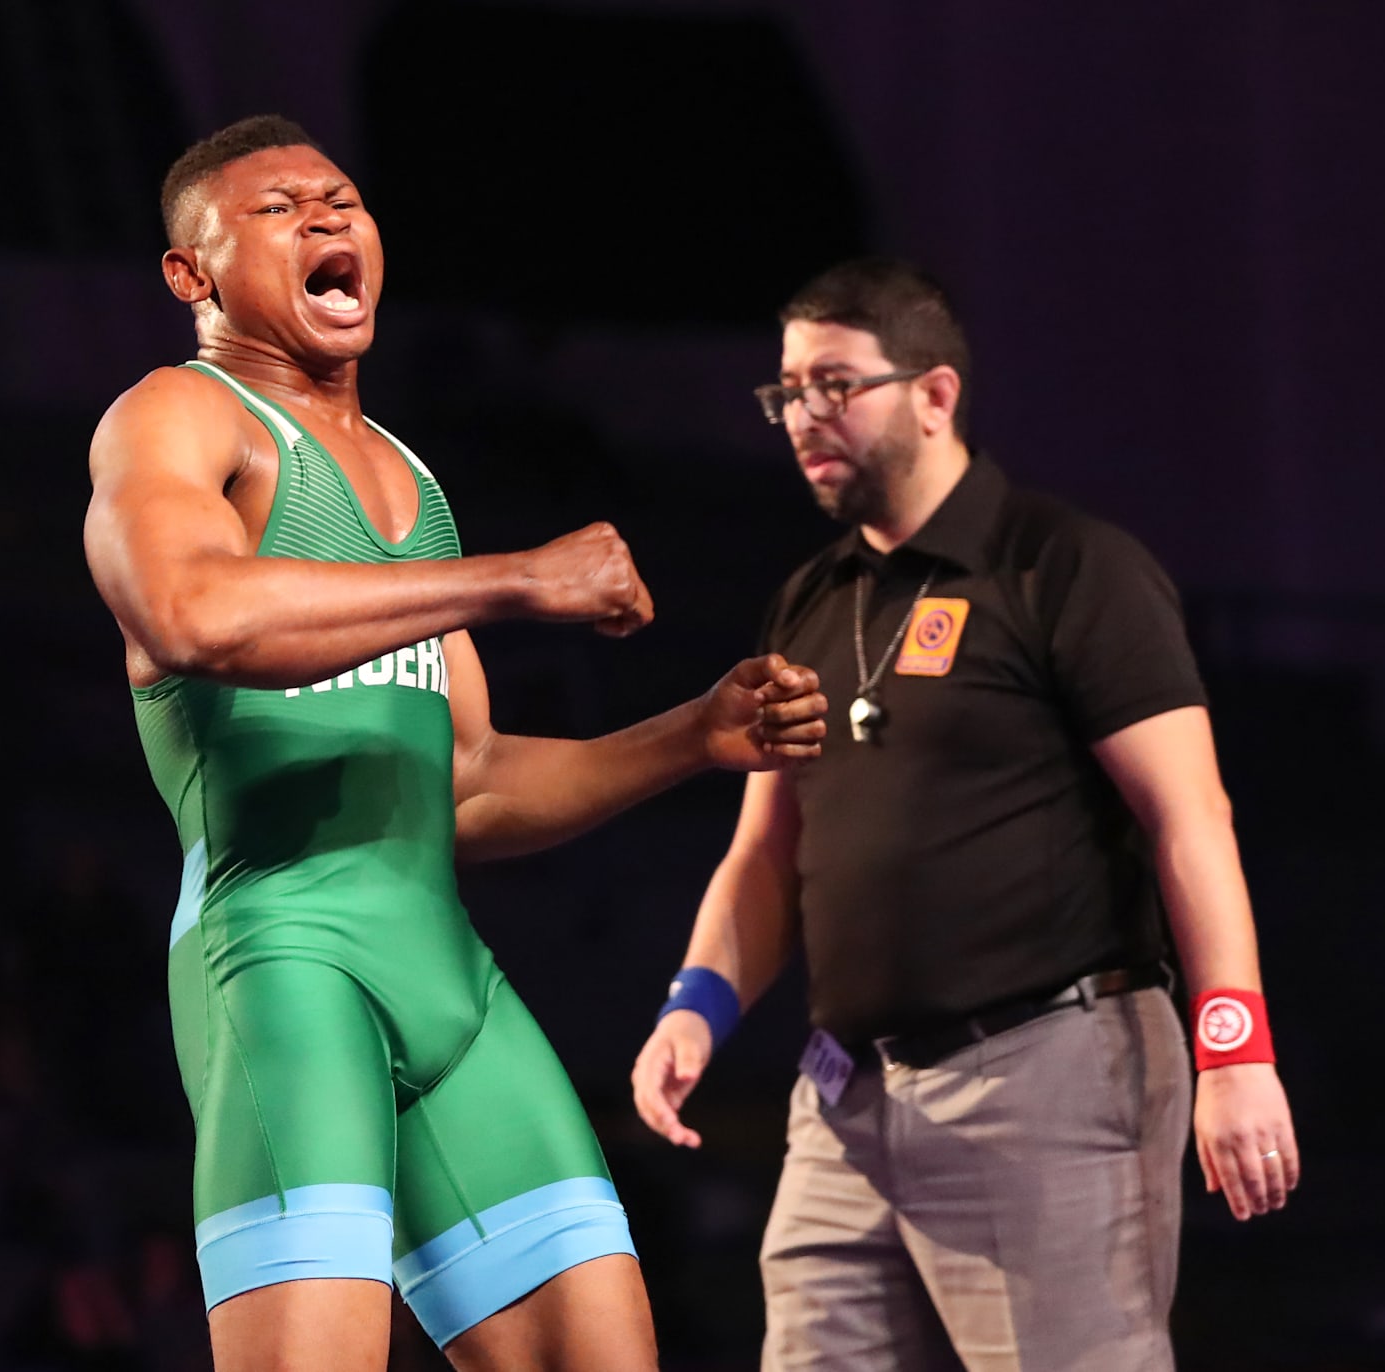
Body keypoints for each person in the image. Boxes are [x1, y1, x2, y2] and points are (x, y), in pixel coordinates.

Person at [82, 115, 830, 1371]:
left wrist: (689, 737)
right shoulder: (172, 418)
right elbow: (192, 612)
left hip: (450, 982)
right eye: (277, 210)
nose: (326, 219)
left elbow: (471, 782)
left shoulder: (410, 485)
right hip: (284, 960)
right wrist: (512, 582)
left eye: (342, 199)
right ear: (190, 274)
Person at [629, 258, 1300, 1371]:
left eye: (835, 384)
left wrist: (1235, 1048)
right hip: (845, 1094)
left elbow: (1191, 816)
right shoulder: (811, 600)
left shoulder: (1066, 567)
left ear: (934, 394)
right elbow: (764, 852)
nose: (804, 416)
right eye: (787, 391)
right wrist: (694, 1008)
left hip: (1043, 1073)